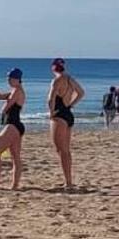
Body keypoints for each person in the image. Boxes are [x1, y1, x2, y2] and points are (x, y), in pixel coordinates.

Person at [47, 58, 85, 190]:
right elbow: (81, 93)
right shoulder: (69, 79)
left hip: (59, 115)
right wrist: (71, 104)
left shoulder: (56, 80)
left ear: (53, 68)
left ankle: (68, 182)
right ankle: (68, 180)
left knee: (61, 150)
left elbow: (50, 99)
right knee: (66, 150)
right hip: (68, 113)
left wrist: (51, 113)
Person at [0, 68, 27, 190]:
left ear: (17, 79)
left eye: (11, 79)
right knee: (15, 156)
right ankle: (15, 185)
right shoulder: (14, 90)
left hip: (12, 125)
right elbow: (1, 97)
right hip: (16, 126)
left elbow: (7, 105)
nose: (9, 81)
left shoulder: (17, 91)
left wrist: (1, 114)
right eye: (8, 78)